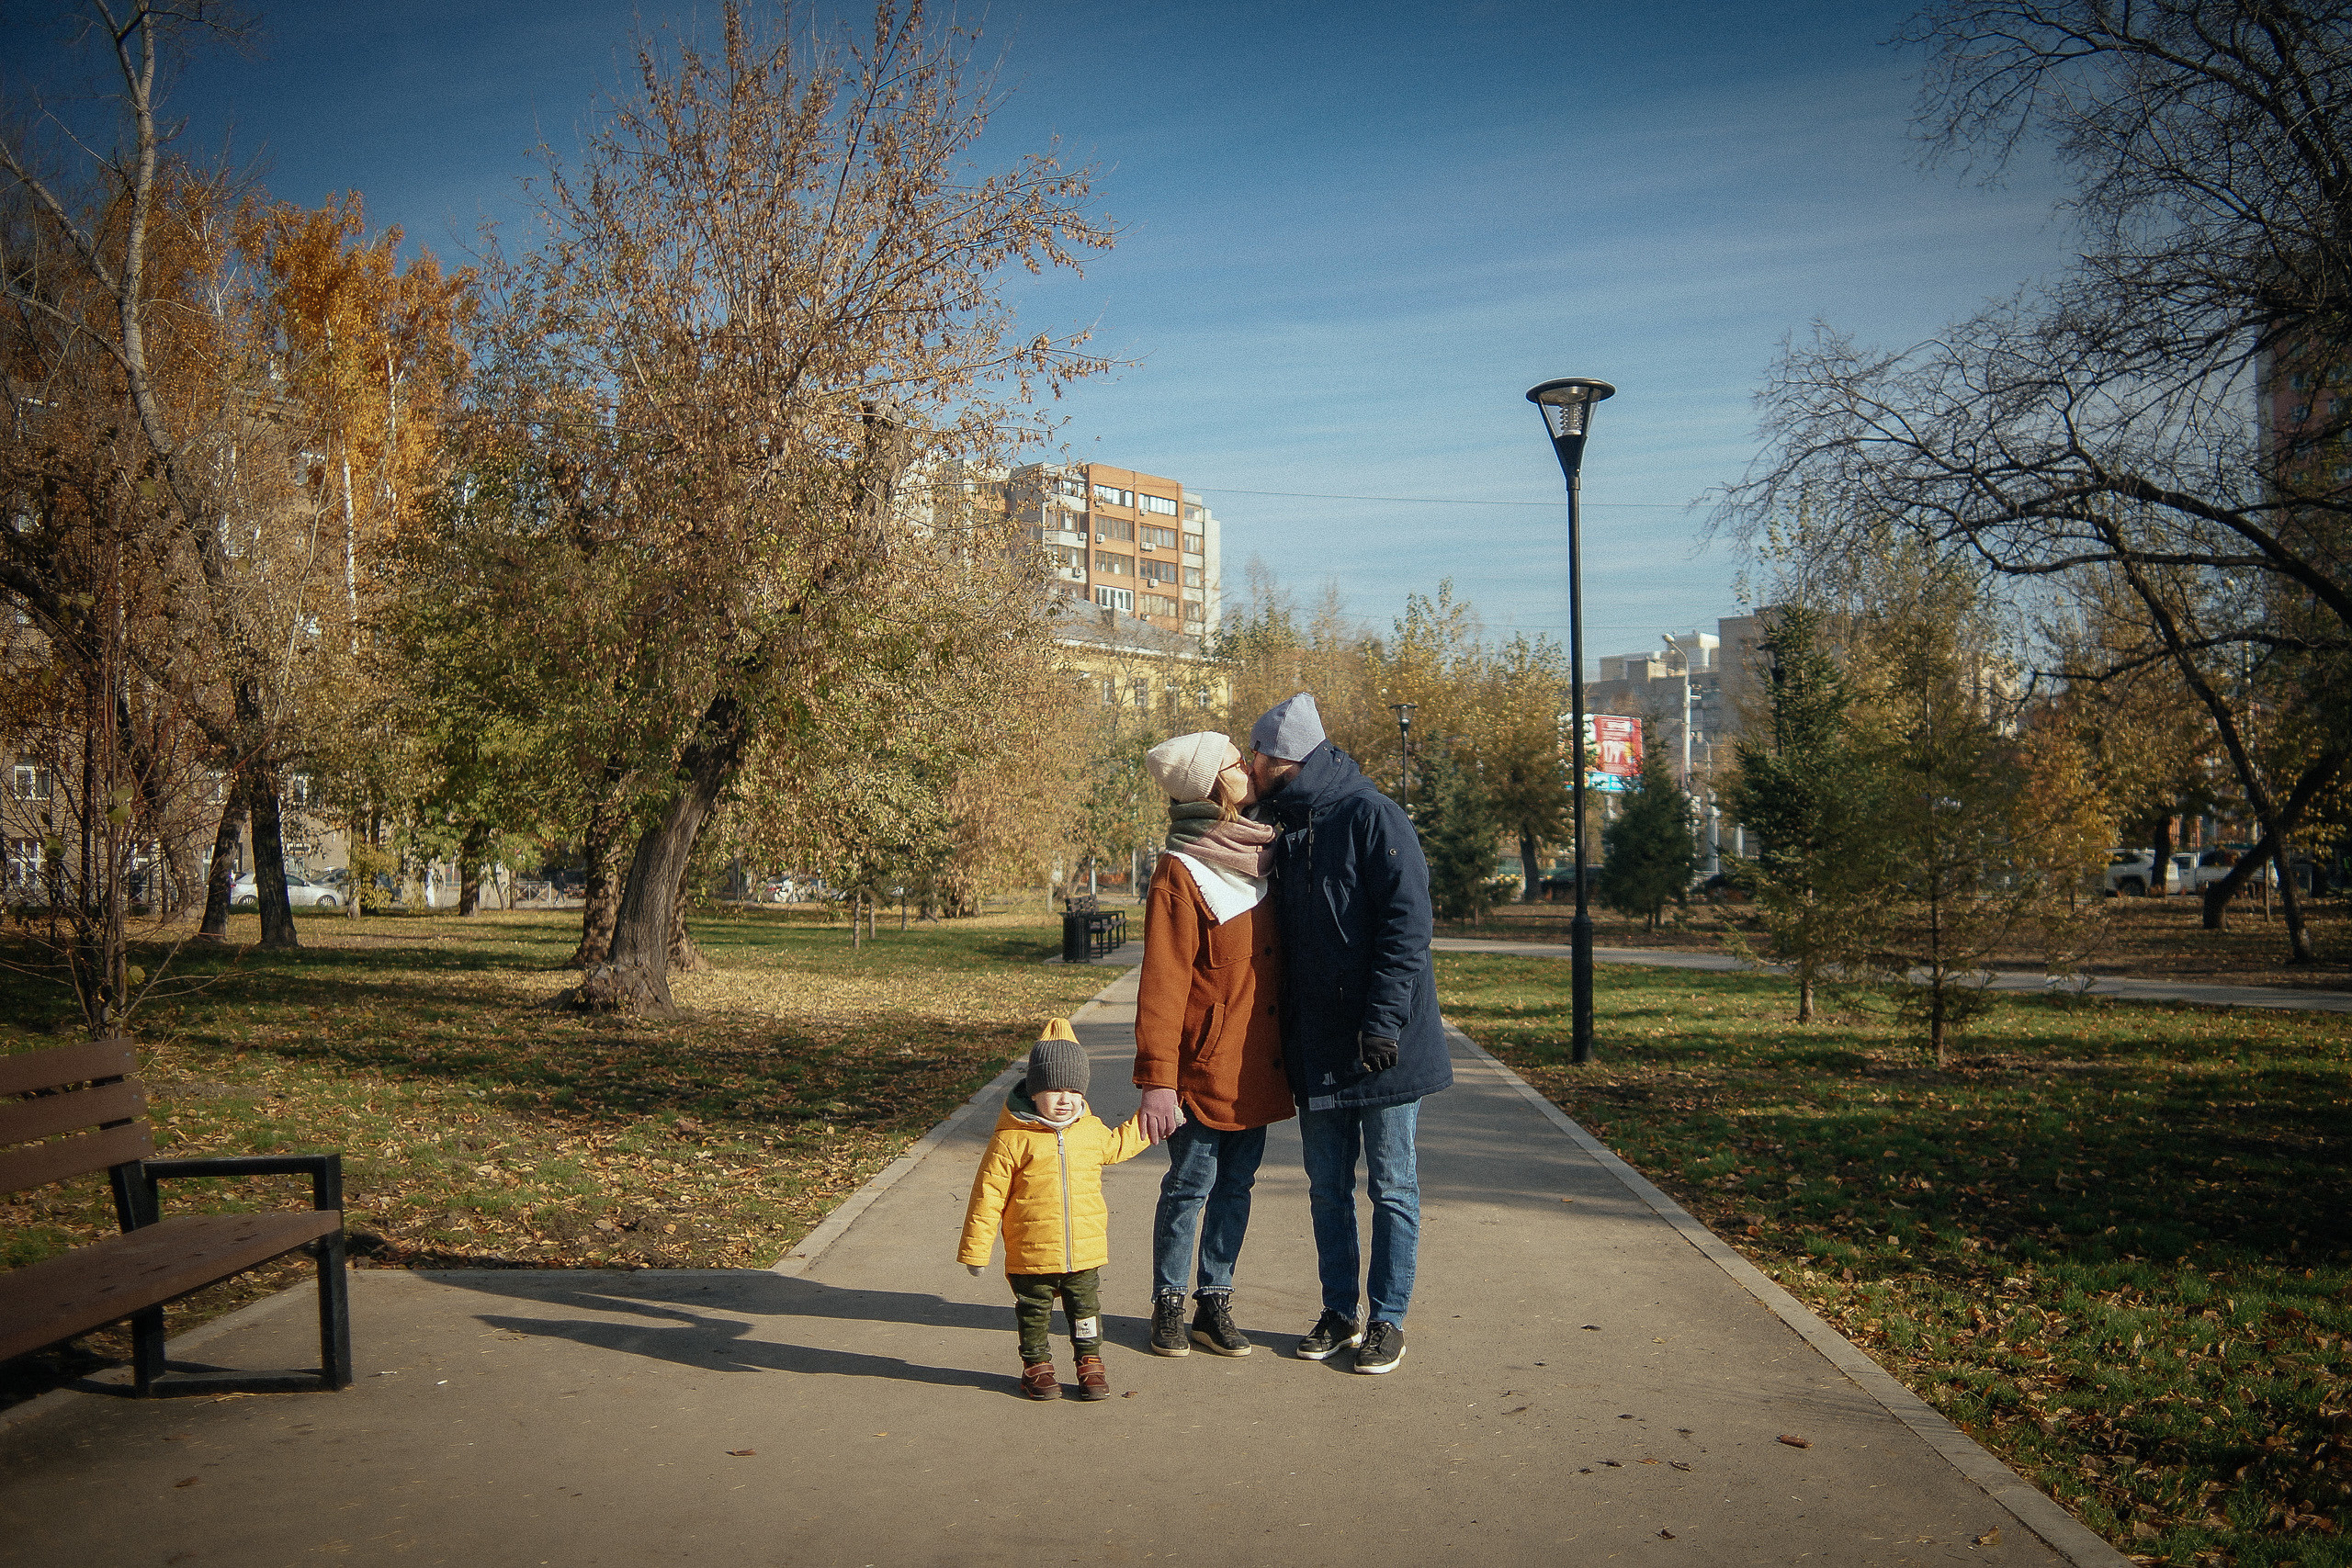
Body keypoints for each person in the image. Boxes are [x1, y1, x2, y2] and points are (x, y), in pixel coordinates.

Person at [1246, 692, 1450, 1375]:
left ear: (1290, 760)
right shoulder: (1286, 827)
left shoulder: (1371, 816)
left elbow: (1407, 927)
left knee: (1391, 1185)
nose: (1250, 766)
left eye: (1259, 756)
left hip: (1381, 1044)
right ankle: (1340, 1310)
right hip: (1318, 1043)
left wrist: (1383, 1022)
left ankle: (1387, 1319)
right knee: (1326, 1186)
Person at [1132, 730, 1291, 1359]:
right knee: (1189, 1183)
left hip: (1257, 1059)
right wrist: (1157, 1079)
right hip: (1201, 1065)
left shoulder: (1264, 850)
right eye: (1232, 759)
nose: (1246, 765)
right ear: (1209, 785)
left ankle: (1213, 1300)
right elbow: (1165, 982)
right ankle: (1170, 1300)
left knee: (1238, 1184)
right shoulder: (1183, 867)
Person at [957, 1020, 1155, 1401]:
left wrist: (1155, 1122)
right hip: (1031, 1254)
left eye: (1073, 1090)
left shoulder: (1090, 1130)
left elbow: (1119, 1145)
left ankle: (1090, 1363)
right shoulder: (1011, 1140)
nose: (1064, 1099)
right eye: (1053, 1090)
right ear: (1033, 1093)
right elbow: (987, 1197)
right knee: (1033, 1314)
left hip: (1084, 1251)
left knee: (1086, 1311)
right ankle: (1037, 1366)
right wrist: (976, 1251)